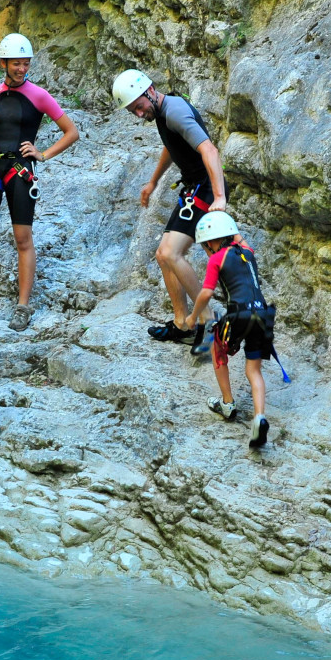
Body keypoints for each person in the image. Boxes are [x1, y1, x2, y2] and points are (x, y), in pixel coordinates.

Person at [0, 34, 79, 332]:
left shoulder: (38, 95)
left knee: (22, 239)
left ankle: (23, 307)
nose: (22, 68)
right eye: (16, 63)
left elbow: (71, 131)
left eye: (25, 63)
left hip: (20, 170)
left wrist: (43, 154)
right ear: (3, 63)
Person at [112, 68, 227, 348]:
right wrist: (152, 181)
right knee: (163, 256)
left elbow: (209, 150)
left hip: (206, 188)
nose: (139, 114)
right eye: (133, 111)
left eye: (138, 107)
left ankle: (208, 320)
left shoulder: (174, 110)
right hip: (194, 188)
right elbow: (171, 146)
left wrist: (220, 197)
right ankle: (181, 324)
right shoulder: (162, 112)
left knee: (169, 252)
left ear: (150, 91)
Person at [186, 212, 275, 448]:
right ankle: (259, 417)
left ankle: (227, 403)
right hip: (263, 315)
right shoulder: (248, 252)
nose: (206, 249)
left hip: (240, 314)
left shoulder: (217, 258)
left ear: (211, 242)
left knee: (217, 348)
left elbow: (205, 293)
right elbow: (240, 238)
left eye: (206, 245)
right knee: (254, 370)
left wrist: (193, 316)